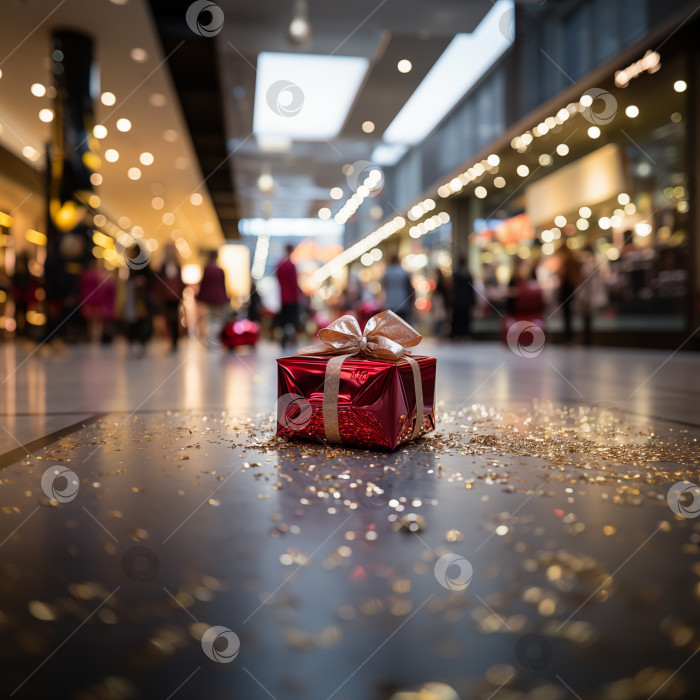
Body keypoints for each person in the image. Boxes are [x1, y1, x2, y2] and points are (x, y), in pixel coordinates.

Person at [119, 244, 157, 357]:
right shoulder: (131, 265)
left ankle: (142, 342)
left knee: (143, 321)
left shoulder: (145, 266)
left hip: (143, 298)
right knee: (132, 320)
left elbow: (152, 280)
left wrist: (143, 281)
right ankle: (134, 342)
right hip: (133, 297)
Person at [576, 246, 607, 346]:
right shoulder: (586, 265)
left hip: (590, 294)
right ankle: (587, 340)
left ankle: (588, 340)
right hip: (585, 295)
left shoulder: (592, 265)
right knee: (586, 319)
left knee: (589, 319)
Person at [196, 250, 229, 339]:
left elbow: (203, 284)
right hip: (219, 298)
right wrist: (226, 298)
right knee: (218, 319)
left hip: (209, 298)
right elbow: (223, 286)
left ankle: (211, 338)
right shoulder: (220, 270)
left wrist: (199, 297)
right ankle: (214, 337)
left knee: (210, 319)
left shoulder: (207, 269)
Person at [158, 244, 185, 352]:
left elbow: (180, 281)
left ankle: (175, 342)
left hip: (176, 297)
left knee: (175, 319)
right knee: (169, 319)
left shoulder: (178, 265)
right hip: (166, 297)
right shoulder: (163, 266)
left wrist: (181, 295)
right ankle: (171, 341)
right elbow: (159, 282)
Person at [275, 243, 300, 348]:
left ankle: (284, 340)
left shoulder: (279, 264)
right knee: (292, 321)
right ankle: (290, 339)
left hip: (282, 298)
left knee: (284, 321)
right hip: (292, 298)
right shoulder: (291, 265)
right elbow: (294, 283)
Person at [557, 246, 580, 344]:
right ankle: (568, 338)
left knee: (568, 316)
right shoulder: (569, 262)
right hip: (568, 291)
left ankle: (569, 338)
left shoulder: (568, 263)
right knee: (567, 316)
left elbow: (571, 278)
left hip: (567, 291)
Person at [382, 253, 413, 321]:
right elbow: (408, 286)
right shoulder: (403, 272)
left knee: (392, 324)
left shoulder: (387, 272)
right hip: (402, 300)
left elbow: (383, 285)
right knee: (403, 323)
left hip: (389, 302)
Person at [451, 255, 474, 339]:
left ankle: (459, 334)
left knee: (460, 318)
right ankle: (463, 334)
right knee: (464, 318)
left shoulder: (458, 274)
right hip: (464, 300)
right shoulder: (466, 274)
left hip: (458, 300)